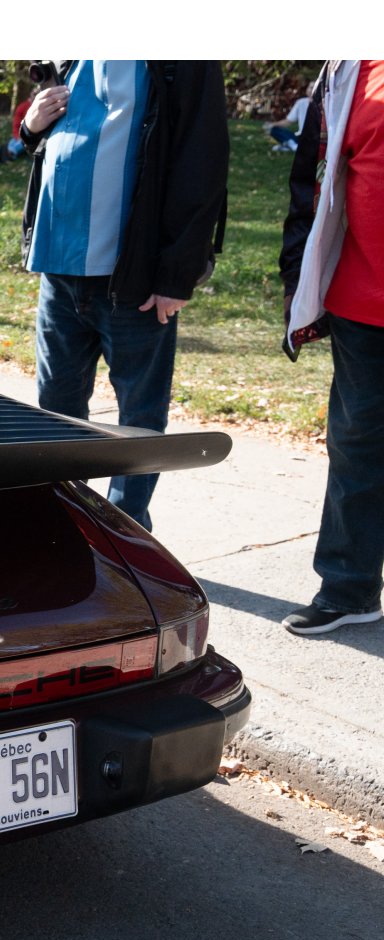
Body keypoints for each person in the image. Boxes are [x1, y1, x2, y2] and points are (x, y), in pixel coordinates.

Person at [19, 60, 228, 532]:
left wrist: (176, 275)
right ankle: (66, 524)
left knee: (138, 420)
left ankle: (125, 533)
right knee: (56, 415)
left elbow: (203, 160)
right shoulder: (72, 47)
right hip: (59, 268)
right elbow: (49, 140)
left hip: (133, 278)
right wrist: (32, 126)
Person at [277, 61, 384, 636]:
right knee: (357, 447)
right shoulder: (353, 64)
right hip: (363, 300)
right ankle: (349, 587)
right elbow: (315, 178)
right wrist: (301, 279)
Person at [0, 94, 34, 163]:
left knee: (22, 143)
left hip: (31, 135)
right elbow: (16, 123)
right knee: (14, 143)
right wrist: (17, 135)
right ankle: (9, 152)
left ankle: (11, 153)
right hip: (22, 134)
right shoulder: (23, 107)